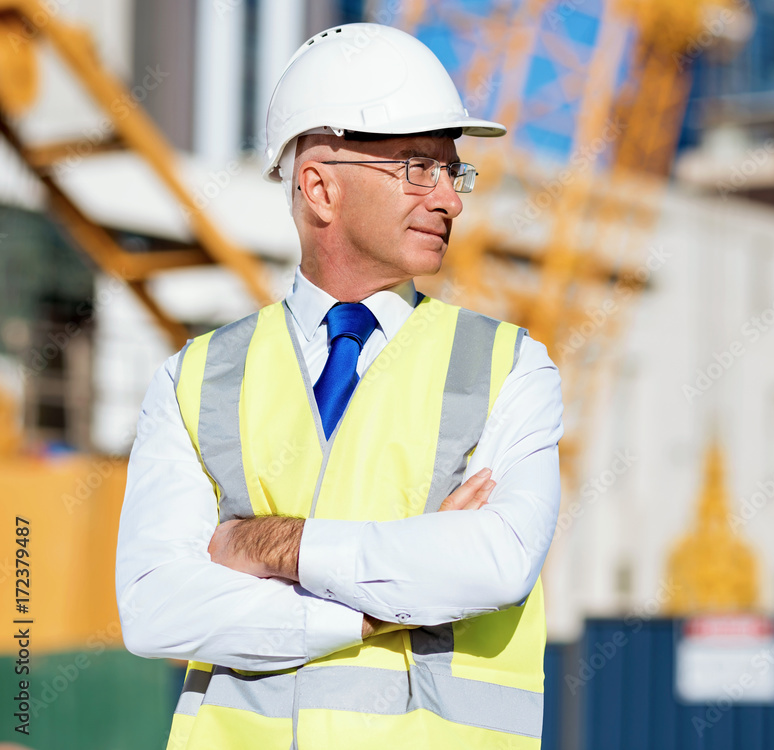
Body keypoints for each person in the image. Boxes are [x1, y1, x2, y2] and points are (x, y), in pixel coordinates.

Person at [115, 22, 563, 750]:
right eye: (420, 168)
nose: (450, 199)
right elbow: (154, 608)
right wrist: (380, 608)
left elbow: (495, 563)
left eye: (455, 172)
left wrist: (265, 547)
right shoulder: (193, 378)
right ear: (319, 186)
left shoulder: (511, 367)